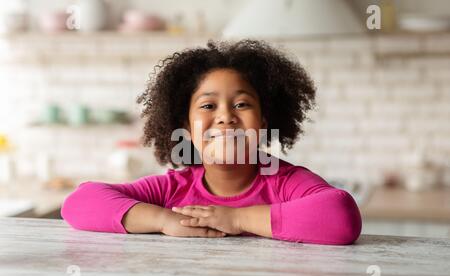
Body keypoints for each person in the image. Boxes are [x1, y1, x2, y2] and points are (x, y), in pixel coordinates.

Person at [61, 40, 361, 245]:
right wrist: (163, 220)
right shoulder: (172, 189)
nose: (225, 117)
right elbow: (80, 202)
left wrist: (236, 219)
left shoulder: (283, 182)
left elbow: (340, 216)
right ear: (187, 129)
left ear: (264, 124)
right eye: (207, 106)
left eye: (242, 104)